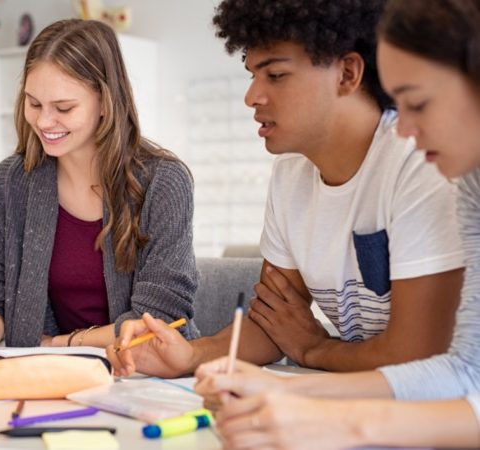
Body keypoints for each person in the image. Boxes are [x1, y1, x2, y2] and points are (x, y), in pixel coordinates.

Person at [108, 0, 465, 377]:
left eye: (275, 75)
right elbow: (272, 323)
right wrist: (190, 355)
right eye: (252, 76)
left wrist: (315, 349)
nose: (252, 97)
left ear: (347, 73)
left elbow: (418, 354)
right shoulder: (290, 174)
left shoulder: (421, 160)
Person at [194, 0, 480, 448]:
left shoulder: (427, 175)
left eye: (418, 103)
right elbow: (464, 372)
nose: (402, 128)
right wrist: (283, 388)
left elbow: (438, 370)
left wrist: (329, 402)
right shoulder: (470, 187)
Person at [0, 19, 199, 359]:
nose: (43, 122)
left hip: (144, 372)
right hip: (44, 371)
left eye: (64, 108)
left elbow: (158, 319)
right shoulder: (8, 184)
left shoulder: (163, 183)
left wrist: (60, 344)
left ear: (105, 103)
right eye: (34, 103)